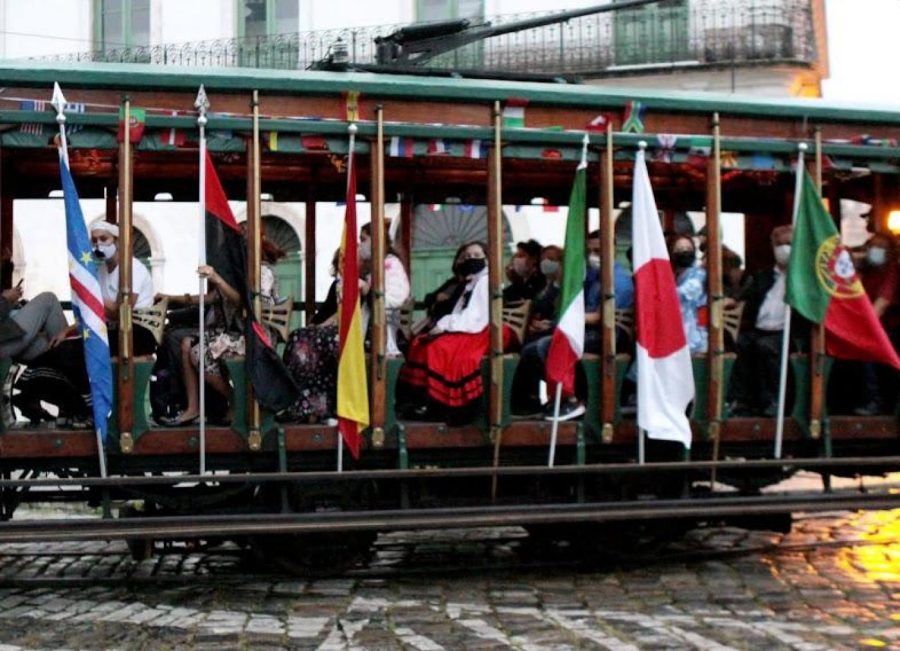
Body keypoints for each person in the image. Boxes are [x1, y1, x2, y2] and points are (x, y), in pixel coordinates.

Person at [511, 231, 635, 419]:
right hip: (590, 329)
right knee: (531, 346)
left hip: (610, 334)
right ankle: (549, 398)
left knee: (547, 346)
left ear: (613, 249)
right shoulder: (595, 276)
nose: (594, 254)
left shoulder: (617, 279)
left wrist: (562, 323)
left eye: (598, 250)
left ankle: (571, 398)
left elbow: (602, 317)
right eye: (591, 250)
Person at [398, 241, 503, 425]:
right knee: (420, 343)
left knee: (439, 348)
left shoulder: (487, 281)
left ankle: (443, 404)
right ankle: (418, 400)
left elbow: (475, 316)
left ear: (487, 258)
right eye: (468, 256)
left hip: (480, 329)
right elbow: (457, 310)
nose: (471, 259)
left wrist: (446, 325)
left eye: (477, 256)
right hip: (463, 324)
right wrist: (444, 324)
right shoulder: (471, 281)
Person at [728, 224, 807, 417]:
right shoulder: (762, 276)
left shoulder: (804, 277)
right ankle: (740, 400)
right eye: (779, 244)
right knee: (741, 344)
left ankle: (774, 401)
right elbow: (742, 296)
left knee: (766, 347)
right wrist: (730, 301)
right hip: (761, 329)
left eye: (788, 244)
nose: (783, 249)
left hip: (790, 333)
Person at [279, 249, 341, 423]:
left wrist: (318, 327)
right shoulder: (337, 284)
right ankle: (302, 404)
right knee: (300, 342)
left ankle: (304, 405)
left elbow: (340, 314)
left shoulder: (349, 285)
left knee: (301, 341)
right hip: (326, 332)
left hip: (333, 334)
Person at [851, 232, 898, 415]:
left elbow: (881, 305)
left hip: (887, 330)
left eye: (881, 247)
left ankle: (875, 401)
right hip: (862, 327)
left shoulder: (892, 271)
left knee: (867, 353)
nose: (875, 251)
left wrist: (860, 327)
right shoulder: (866, 271)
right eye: (872, 246)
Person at [358, 222, 410, 356]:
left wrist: (365, 289)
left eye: (363, 240)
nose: (360, 245)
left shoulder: (391, 266)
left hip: (382, 336)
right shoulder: (375, 267)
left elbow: (391, 302)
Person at [669, 234, 708, 354]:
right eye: (679, 249)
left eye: (688, 249)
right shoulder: (673, 275)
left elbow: (682, 294)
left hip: (693, 335)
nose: (684, 252)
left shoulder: (699, 274)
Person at [503, 239, 546, 304]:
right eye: (515, 256)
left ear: (534, 259)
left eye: (521, 256)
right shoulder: (522, 283)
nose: (516, 260)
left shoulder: (540, 283)